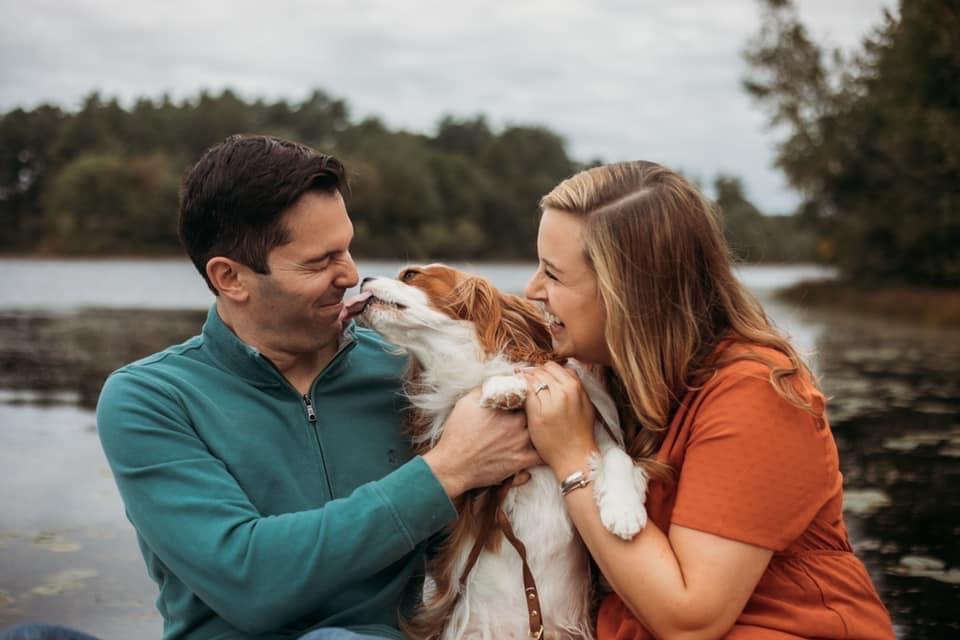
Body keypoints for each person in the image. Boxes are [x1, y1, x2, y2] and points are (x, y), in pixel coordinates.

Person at [89, 134, 540, 640]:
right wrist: (448, 470)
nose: (351, 275)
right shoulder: (150, 399)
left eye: (346, 248)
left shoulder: (407, 370)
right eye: (319, 262)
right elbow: (249, 581)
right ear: (230, 278)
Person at [519, 161, 896, 639]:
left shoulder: (756, 394)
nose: (532, 290)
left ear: (629, 295)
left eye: (553, 275)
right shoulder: (603, 373)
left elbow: (690, 620)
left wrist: (574, 457)